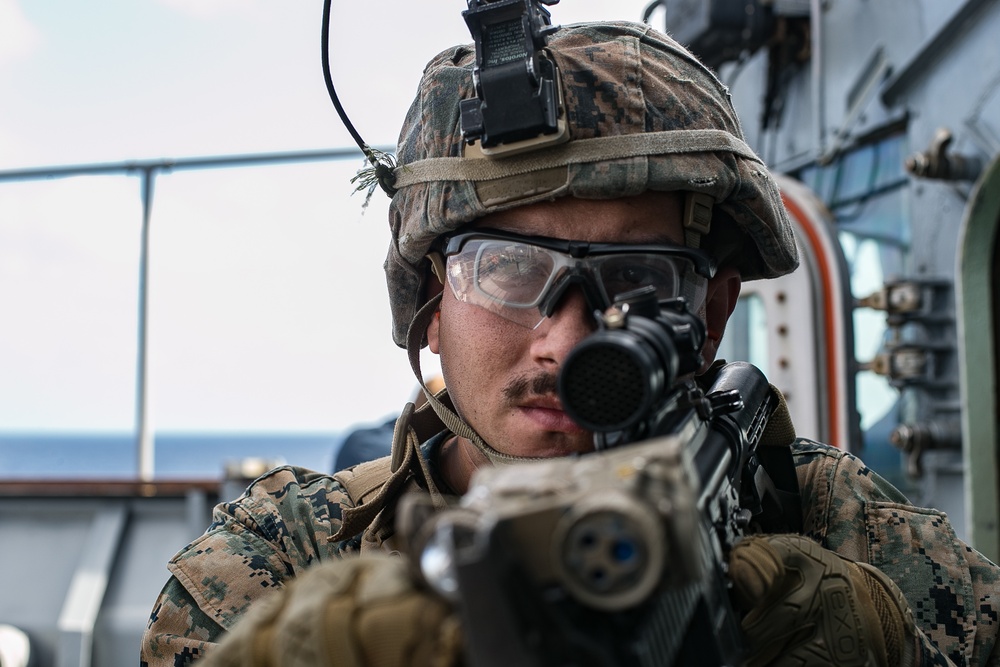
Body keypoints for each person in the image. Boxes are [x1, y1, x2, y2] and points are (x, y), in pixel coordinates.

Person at [140, 20, 999, 667]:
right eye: (509, 269)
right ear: (432, 305)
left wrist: (897, 644)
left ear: (708, 314)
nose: (566, 339)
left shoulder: (837, 521)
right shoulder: (285, 554)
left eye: (638, 277)